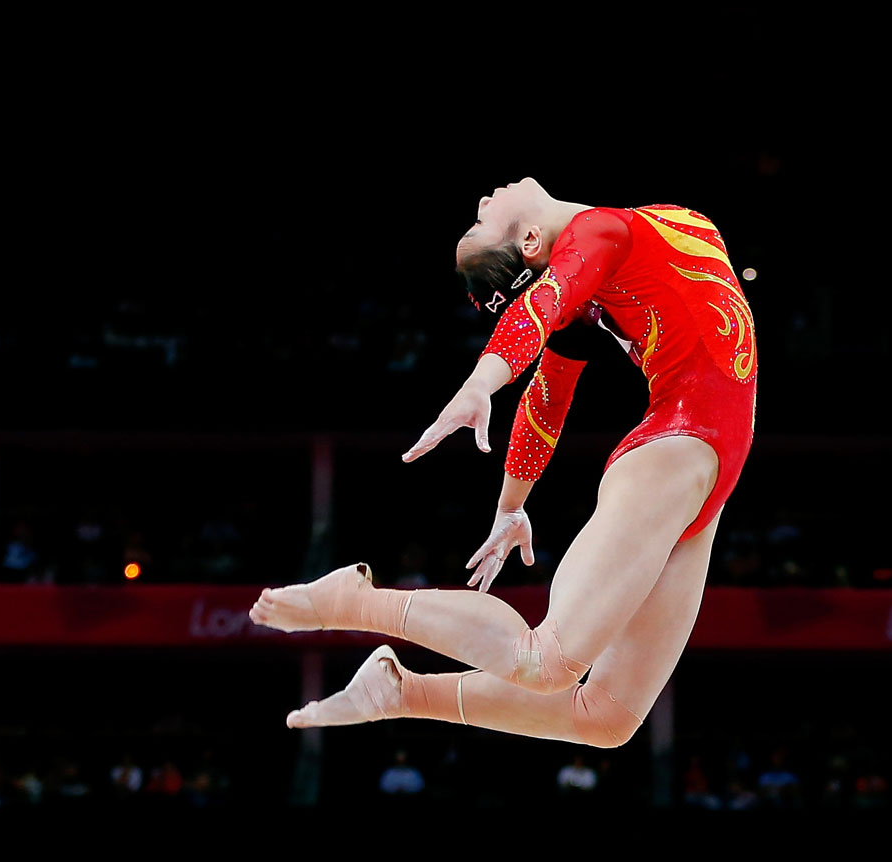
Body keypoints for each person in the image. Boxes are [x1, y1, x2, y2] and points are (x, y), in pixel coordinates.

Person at [253, 178, 757, 752]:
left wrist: (510, 507)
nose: (481, 202)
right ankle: (353, 601)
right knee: (545, 662)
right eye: (481, 224)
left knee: (606, 718)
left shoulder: (597, 281)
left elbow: (548, 398)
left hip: (705, 480)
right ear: (532, 243)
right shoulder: (599, 231)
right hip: (677, 450)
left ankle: (401, 692)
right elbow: (535, 314)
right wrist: (479, 382)